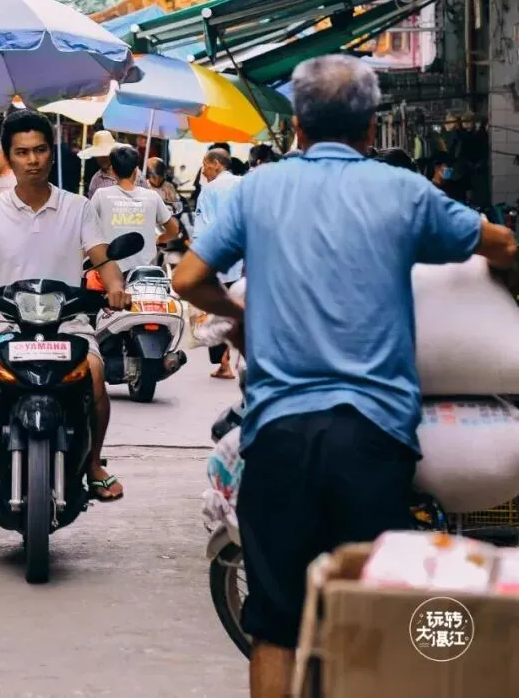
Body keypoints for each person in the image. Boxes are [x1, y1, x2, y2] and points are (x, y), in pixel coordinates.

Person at [172, 55, 517, 698]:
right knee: (369, 616)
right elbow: (499, 246)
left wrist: (234, 309)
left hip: (278, 431)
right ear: (371, 127)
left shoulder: (256, 189)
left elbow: (189, 280)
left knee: (275, 623)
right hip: (373, 436)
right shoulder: (403, 192)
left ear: (297, 125)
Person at [0, 109, 131, 505]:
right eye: (23, 152)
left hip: (67, 320)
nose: (33, 160)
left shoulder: (78, 207)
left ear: (52, 153)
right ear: (9, 158)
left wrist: (116, 285)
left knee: (95, 373)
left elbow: (101, 256)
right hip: (6, 320)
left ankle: (94, 463)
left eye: (40, 150)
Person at [193, 146, 243, 379]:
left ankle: (224, 362)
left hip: (218, 260)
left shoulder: (209, 190)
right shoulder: (245, 185)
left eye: (205, 165)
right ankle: (233, 360)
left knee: (217, 308)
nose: (203, 172)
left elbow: (201, 232)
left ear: (216, 164)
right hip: (242, 261)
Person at [91, 145, 179, 271]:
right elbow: (174, 230)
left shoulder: (101, 195)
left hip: (109, 273)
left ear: (113, 171)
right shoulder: (152, 197)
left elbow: (86, 229)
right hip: (144, 273)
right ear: (136, 171)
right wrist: (160, 238)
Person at [83, 129, 118, 196]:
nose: (102, 158)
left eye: (105, 154)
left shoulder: (131, 173)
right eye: (99, 154)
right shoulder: (96, 180)